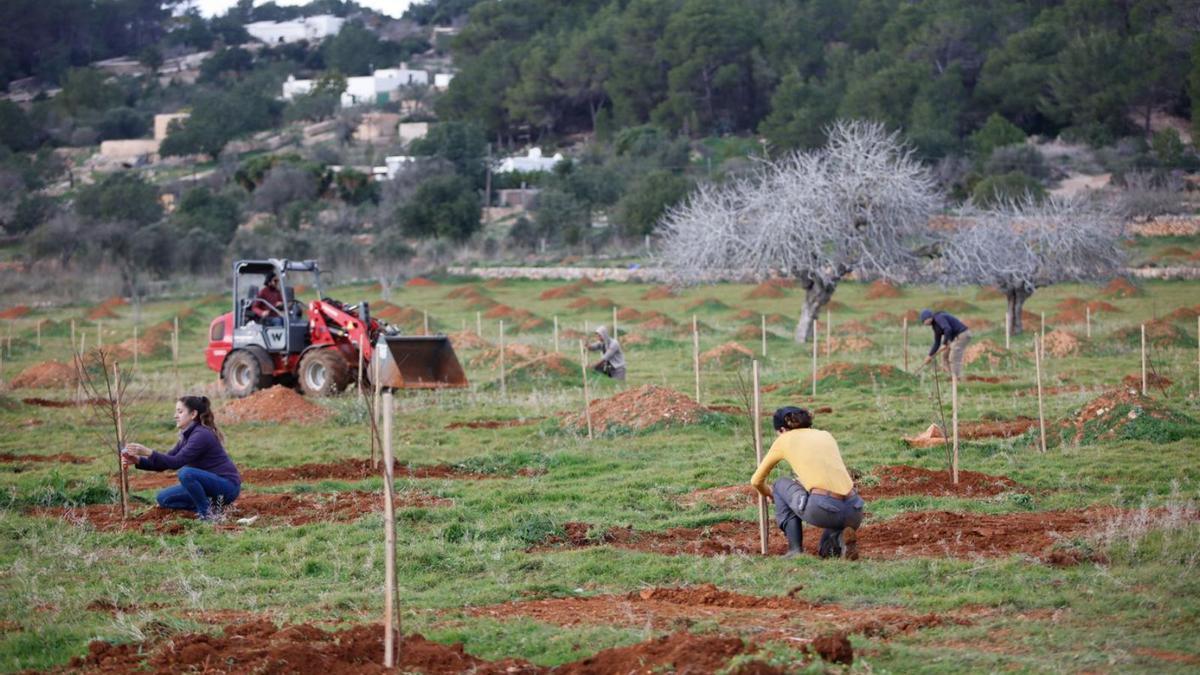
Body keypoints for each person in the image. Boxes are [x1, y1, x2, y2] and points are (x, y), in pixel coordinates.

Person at [750, 407, 864, 559]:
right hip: (854, 510)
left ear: (782, 429)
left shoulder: (784, 439)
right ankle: (841, 539)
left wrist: (769, 494)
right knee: (826, 552)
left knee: (779, 485)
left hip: (824, 509)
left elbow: (756, 481)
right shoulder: (825, 435)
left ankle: (795, 550)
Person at [122, 396, 241, 522]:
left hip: (227, 486)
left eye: (180, 411)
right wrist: (138, 460)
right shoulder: (187, 436)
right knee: (163, 498)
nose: (175, 416)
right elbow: (167, 461)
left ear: (193, 414)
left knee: (186, 473)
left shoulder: (201, 435)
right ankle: (212, 507)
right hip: (209, 486)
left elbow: (175, 463)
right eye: (176, 412)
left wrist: (147, 451)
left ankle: (207, 515)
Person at [920, 308, 972, 380]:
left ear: (928, 317)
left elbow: (947, 329)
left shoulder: (939, 317)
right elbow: (937, 342)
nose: (924, 323)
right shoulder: (935, 326)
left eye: (924, 321)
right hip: (954, 338)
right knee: (944, 355)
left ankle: (956, 378)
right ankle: (950, 375)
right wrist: (929, 355)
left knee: (954, 356)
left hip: (962, 334)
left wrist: (945, 343)